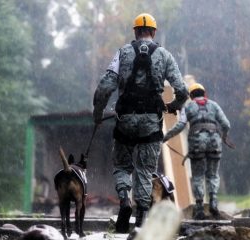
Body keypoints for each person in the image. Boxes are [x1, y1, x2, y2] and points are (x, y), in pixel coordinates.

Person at [92, 13, 188, 233]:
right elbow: (182, 90)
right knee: (145, 169)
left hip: (125, 120)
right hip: (151, 123)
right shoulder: (164, 55)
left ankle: (125, 201)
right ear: (154, 32)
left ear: (135, 32)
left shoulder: (123, 53)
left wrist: (98, 113)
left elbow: (105, 86)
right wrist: (174, 105)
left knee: (122, 165)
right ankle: (142, 216)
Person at [163, 82, 231, 219]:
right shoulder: (214, 105)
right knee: (212, 175)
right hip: (214, 143)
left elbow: (180, 125)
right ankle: (213, 202)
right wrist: (223, 137)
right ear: (204, 93)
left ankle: (199, 208)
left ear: (191, 95)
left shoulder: (188, 107)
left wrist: (165, 137)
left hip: (197, 144)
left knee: (198, 176)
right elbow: (226, 124)